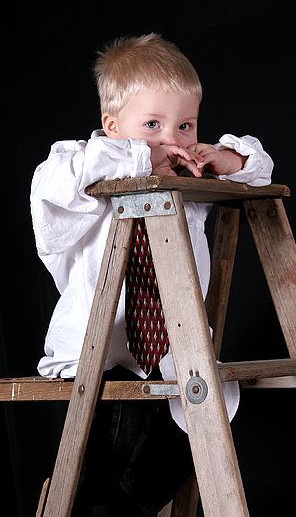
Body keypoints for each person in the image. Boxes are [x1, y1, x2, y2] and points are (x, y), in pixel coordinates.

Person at [30, 33, 273, 515]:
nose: (171, 140)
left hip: (175, 351)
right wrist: (140, 158)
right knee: (97, 456)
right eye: (153, 125)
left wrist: (227, 159)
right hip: (97, 350)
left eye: (185, 125)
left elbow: (260, 173)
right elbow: (52, 189)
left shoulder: (187, 180)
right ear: (112, 126)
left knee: (197, 430)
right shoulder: (83, 165)